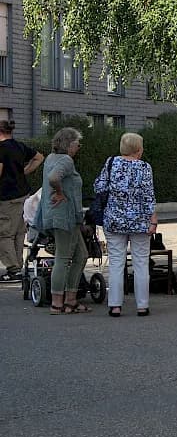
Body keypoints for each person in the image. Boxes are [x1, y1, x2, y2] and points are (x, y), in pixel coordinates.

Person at [94, 132, 157, 317]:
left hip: (114, 220)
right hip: (139, 221)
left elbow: (99, 187)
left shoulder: (111, 163)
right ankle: (142, 306)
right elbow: (148, 195)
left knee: (116, 263)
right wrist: (153, 219)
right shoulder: (145, 167)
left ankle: (115, 305)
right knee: (140, 263)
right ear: (138, 149)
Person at [33, 127, 89, 314]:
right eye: (77, 144)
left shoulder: (51, 158)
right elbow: (53, 178)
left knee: (81, 255)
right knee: (63, 257)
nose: (79, 147)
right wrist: (59, 192)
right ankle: (58, 302)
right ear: (69, 144)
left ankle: (70, 300)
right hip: (65, 216)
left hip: (59, 215)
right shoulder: (66, 160)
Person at [0, 120, 44, 281]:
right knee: (19, 233)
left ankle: (13, 269)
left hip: (6, 197)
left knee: (4, 234)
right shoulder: (19, 146)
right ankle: (18, 267)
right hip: (23, 194)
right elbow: (39, 157)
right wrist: (23, 172)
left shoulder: (1, 149)